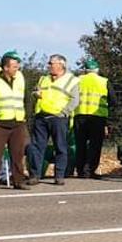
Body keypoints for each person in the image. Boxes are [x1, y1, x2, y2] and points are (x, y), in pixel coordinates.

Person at [26, 54, 79, 186]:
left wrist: (64, 112)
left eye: (51, 63)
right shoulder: (43, 78)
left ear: (61, 65)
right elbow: (35, 92)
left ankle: (59, 176)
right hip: (41, 117)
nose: (48, 65)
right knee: (36, 147)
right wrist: (35, 94)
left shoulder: (71, 80)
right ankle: (35, 175)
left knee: (60, 147)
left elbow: (75, 100)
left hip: (58, 118)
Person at [0, 51, 31, 190]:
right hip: (0, 123)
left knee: (18, 154)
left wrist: (26, 114)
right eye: (14, 66)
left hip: (18, 122)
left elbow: (26, 98)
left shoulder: (20, 78)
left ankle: (18, 181)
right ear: (5, 67)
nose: (17, 69)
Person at [72, 60, 110, 179]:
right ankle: (89, 170)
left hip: (80, 115)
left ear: (85, 70)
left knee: (80, 145)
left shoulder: (77, 80)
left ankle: (80, 170)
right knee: (95, 145)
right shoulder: (104, 81)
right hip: (97, 117)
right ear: (97, 70)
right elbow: (113, 100)